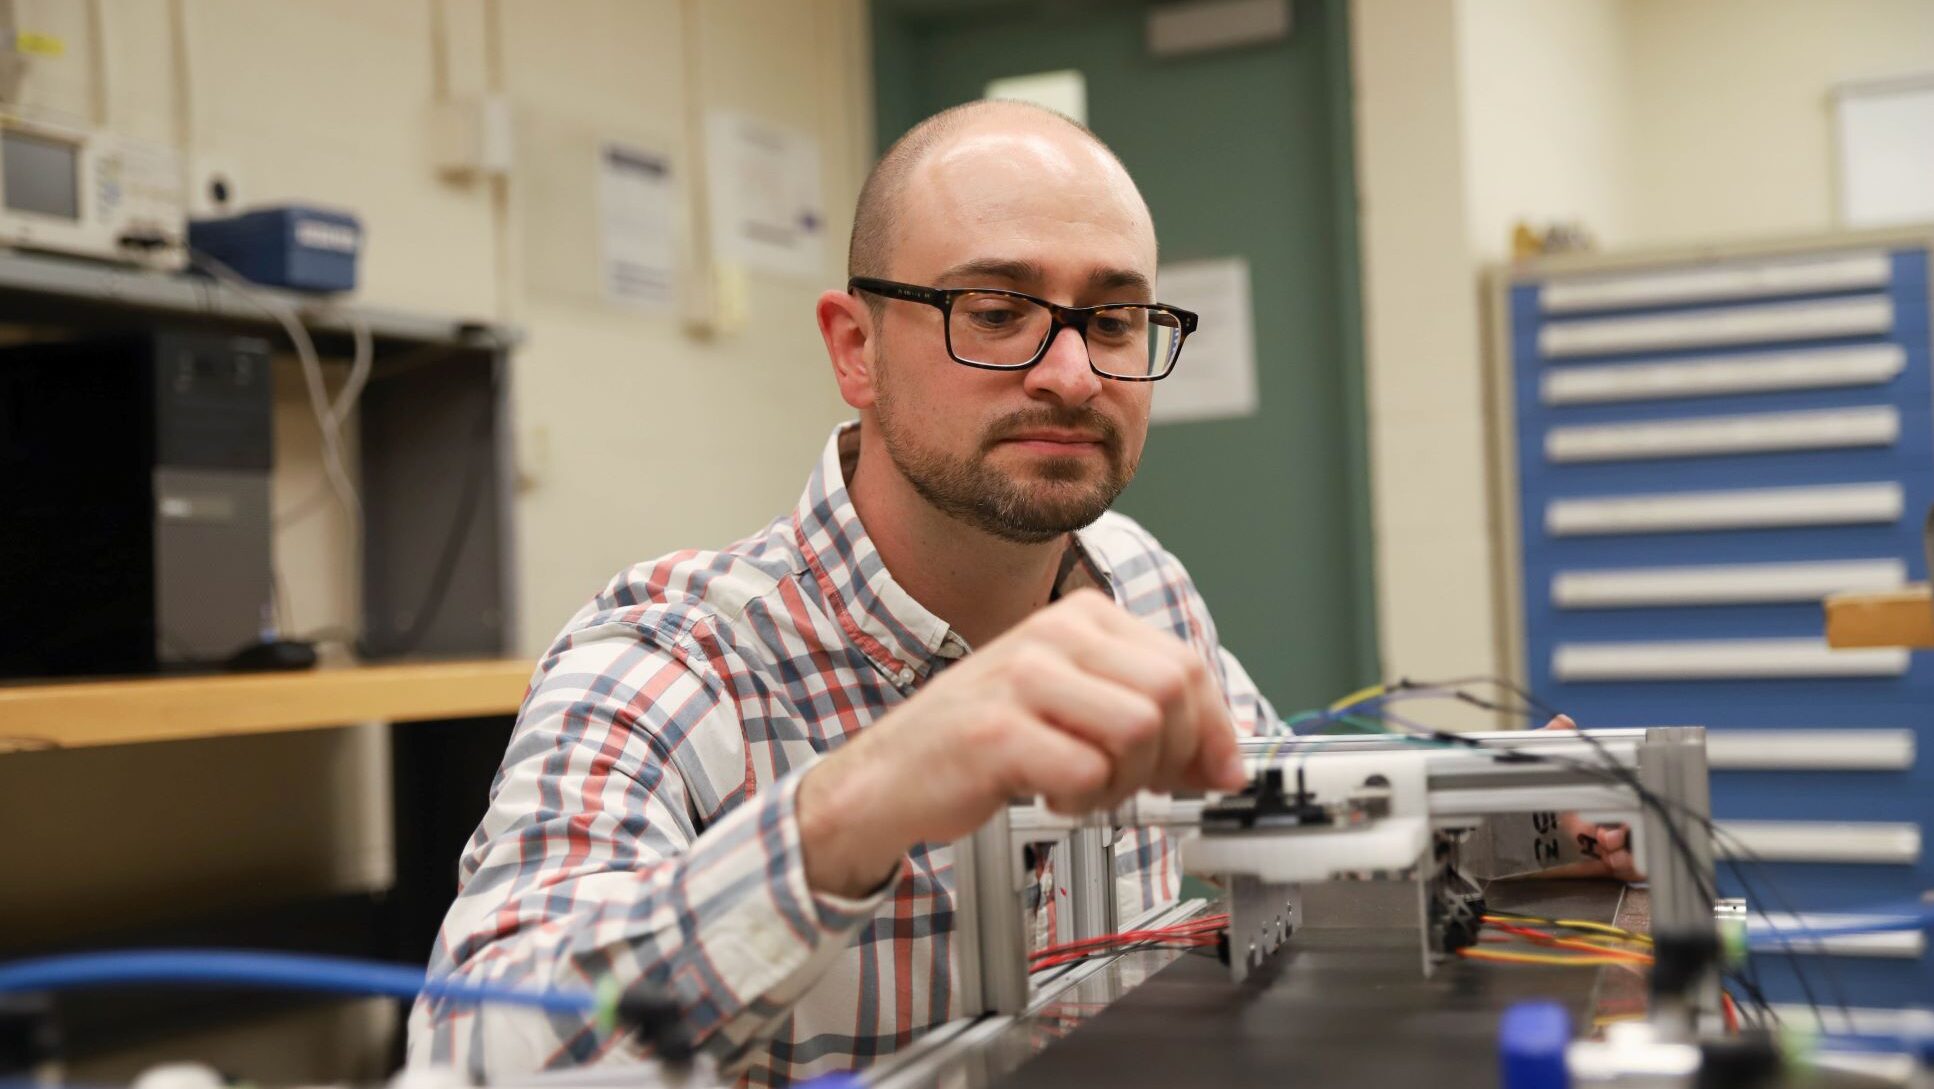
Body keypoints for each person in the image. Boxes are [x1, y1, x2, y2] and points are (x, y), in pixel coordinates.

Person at [408, 99, 1628, 1086]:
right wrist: (850, 809)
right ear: (854, 348)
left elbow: (1279, 827)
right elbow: (474, 1060)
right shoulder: (666, 659)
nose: (1068, 372)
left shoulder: (1139, 583)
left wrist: (1519, 826)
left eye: (1112, 318)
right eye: (996, 311)